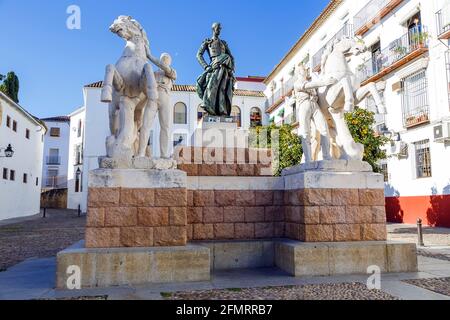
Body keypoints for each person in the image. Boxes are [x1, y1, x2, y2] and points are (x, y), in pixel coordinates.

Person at [293, 63, 336, 163]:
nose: (306, 70)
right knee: (305, 133)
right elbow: (309, 86)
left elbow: (315, 92)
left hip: (314, 105)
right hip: (304, 105)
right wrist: (324, 82)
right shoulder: (297, 83)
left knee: (324, 129)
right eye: (304, 69)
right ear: (299, 72)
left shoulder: (310, 81)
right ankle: (308, 159)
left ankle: (326, 156)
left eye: (306, 69)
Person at [138, 53, 177, 159]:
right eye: (163, 58)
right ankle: (141, 153)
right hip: (153, 99)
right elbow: (143, 84)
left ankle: (164, 154)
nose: (165, 60)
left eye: (167, 58)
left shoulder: (172, 73)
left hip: (165, 99)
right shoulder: (153, 73)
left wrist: (150, 56)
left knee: (165, 127)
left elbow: (165, 68)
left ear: (169, 62)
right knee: (145, 126)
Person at [196, 22, 235, 117]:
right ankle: (209, 106)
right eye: (218, 28)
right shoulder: (207, 42)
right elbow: (198, 55)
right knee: (212, 87)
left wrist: (232, 69)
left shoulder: (224, 43)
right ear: (213, 29)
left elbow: (230, 57)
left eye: (220, 28)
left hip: (225, 68)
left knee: (222, 89)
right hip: (214, 67)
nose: (219, 30)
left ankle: (222, 110)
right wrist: (206, 66)